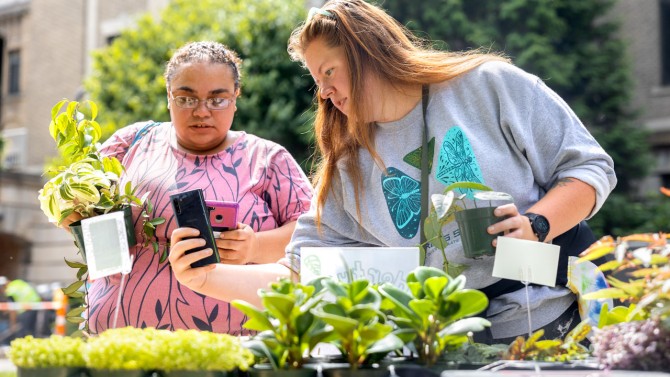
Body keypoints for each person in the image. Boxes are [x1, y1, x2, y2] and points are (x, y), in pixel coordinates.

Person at [281, 0, 617, 344]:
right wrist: (222, 272)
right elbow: (302, 263)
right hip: (447, 348)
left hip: (558, 317)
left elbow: (590, 168)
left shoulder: (489, 85)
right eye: (316, 79)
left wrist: (536, 225)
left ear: (366, 52)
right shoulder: (347, 165)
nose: (322, 91)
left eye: (328, 72)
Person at [62, 41, 313, 334]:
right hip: (119, 341)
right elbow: (76, 202)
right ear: (169, 96)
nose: (202, 112)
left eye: (217, 99)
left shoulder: (267, 159)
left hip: (231, 347)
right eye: (186, 98)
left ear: (236, 97)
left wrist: (255, 245)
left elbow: (315, 235)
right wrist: (71, 215)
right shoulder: (130, 143)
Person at [0, 277, 41, 341]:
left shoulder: (10, 291)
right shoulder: (18, 282)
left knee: (23, 331)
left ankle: (25, 345)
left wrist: (12, 324)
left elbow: (12, 310)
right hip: (35, 304)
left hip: (25, 308)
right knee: (32, 329)